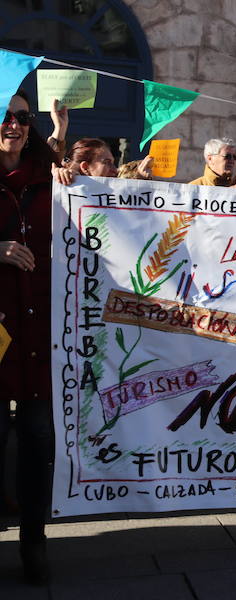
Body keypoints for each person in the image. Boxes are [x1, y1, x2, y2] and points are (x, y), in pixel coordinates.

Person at [0, 90, 60, 585]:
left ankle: (34, 539)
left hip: (41, 327)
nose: (13, 124)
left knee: (39, 435)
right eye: (3, 115)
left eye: (21, 116)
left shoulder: (51, 177)